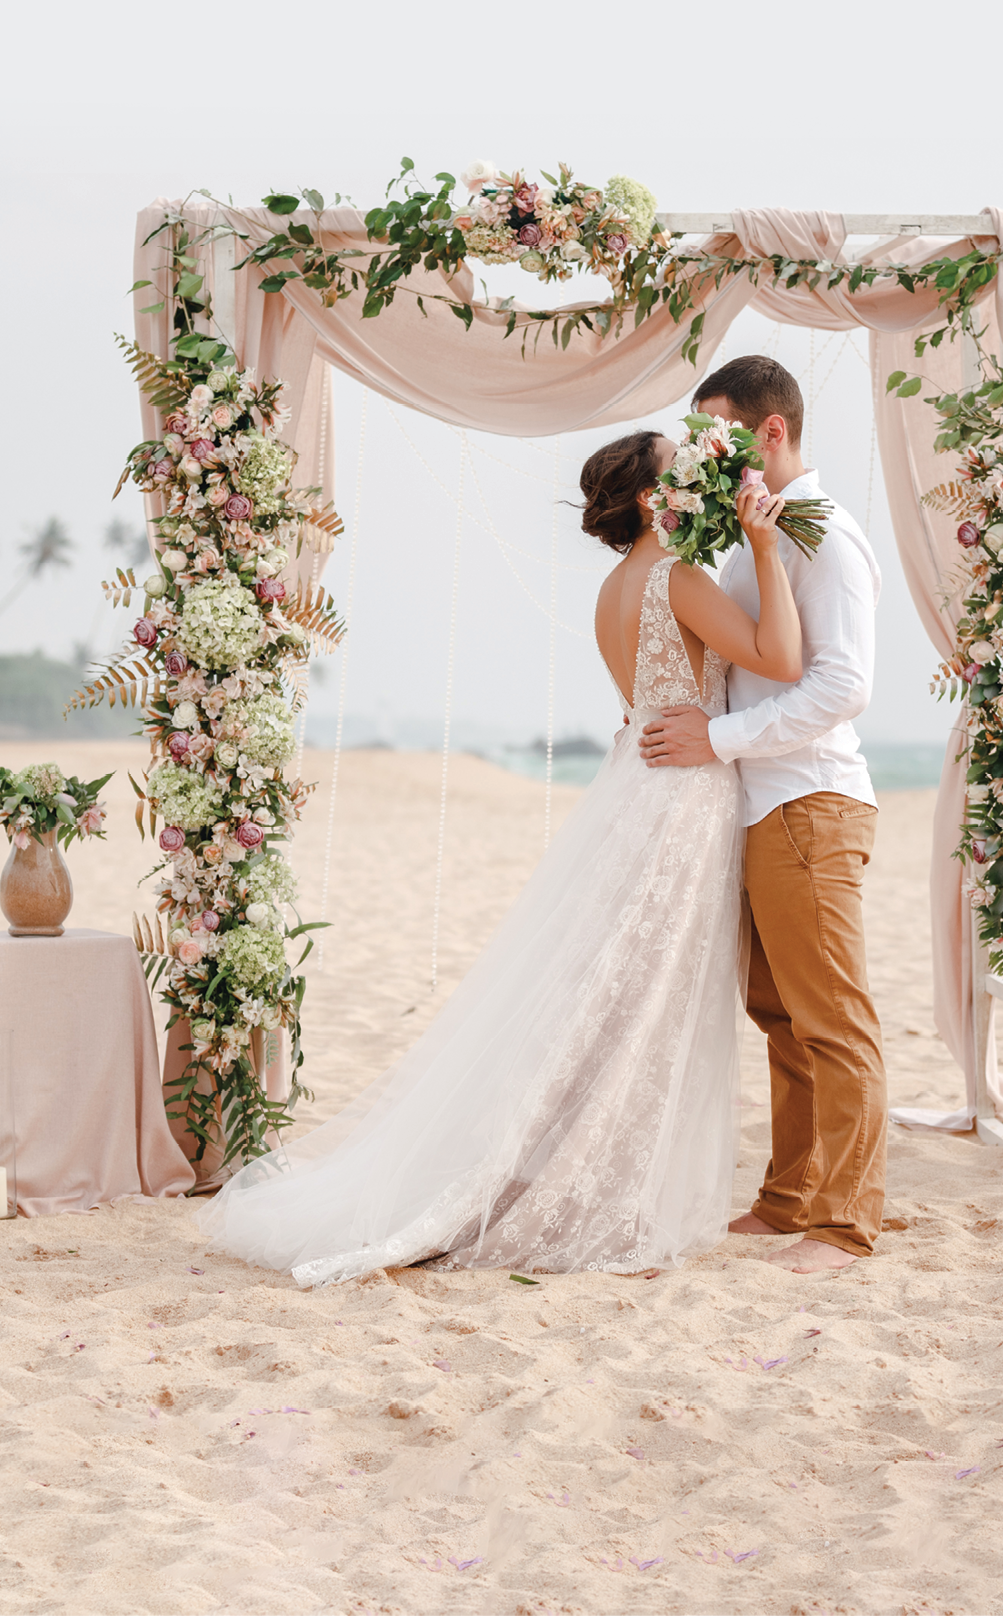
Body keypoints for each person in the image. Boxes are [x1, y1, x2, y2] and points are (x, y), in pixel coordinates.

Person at [196, 429, 802, 1286]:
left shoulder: (613, 589)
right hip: (680, 801)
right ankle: (586, 1183)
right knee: (646, 1001)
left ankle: (557, 1160)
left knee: (612, 994)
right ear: (648, 499)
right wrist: (767, 549)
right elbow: (780, 657)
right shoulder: (679, 578)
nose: (697, 476)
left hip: (637, 786)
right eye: (682, 468)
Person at [638, 355, 887, 1276]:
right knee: (779, 1016)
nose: (705, 450)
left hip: (810, 801)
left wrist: (724, 738)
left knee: (833, 1019)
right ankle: (789, 1201)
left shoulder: (827, 537)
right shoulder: (755, 537)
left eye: (717, 432)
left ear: (769, 432)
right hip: (758, 804)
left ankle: (847, 1223)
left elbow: (844, 687)